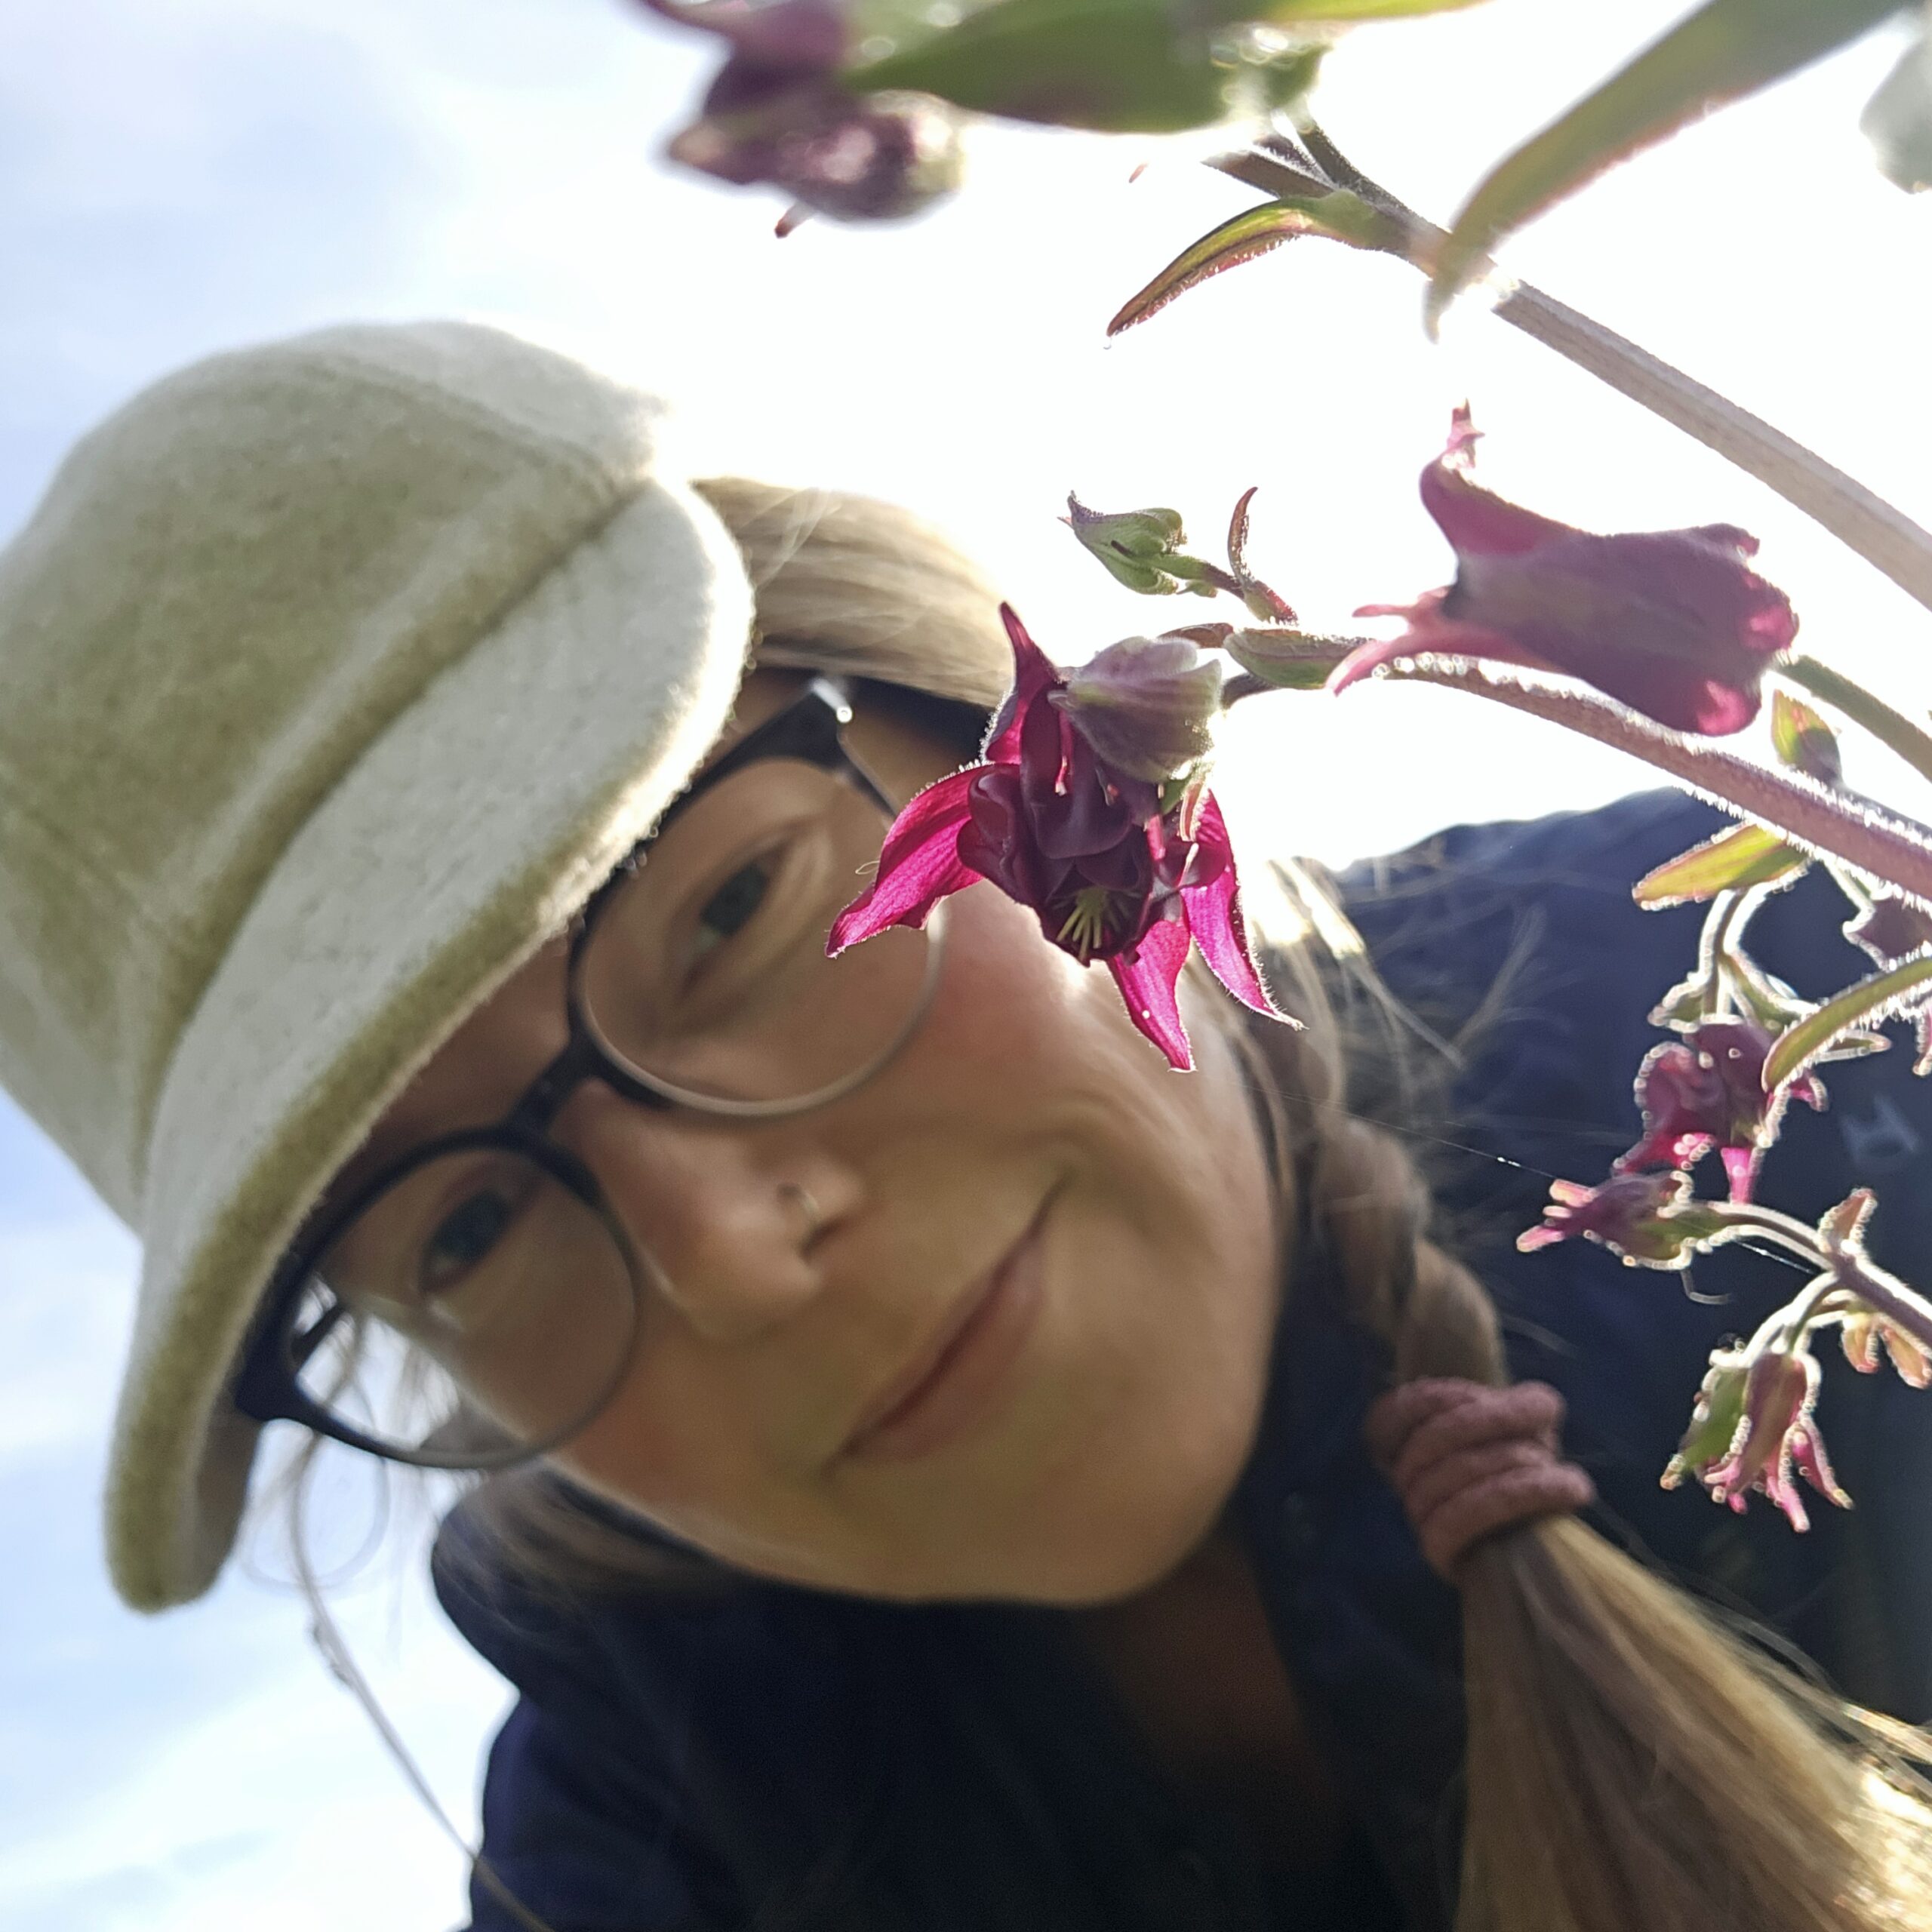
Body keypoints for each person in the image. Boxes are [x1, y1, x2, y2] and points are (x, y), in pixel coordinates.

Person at [3, 318, 1930, 1932]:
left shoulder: (1826, 1012)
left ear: (1006, 730)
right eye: (463, 1231)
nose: (729, 1255)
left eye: (732, 909)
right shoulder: (640, 1830)